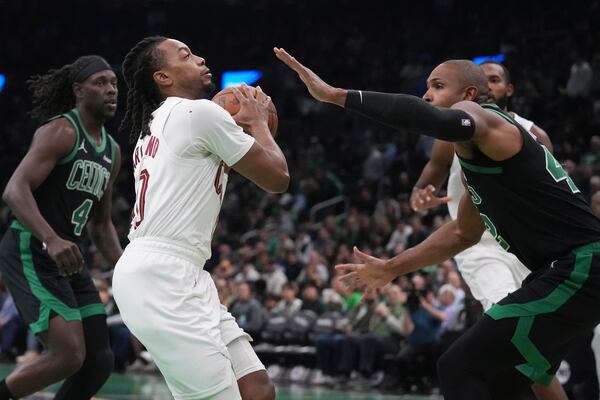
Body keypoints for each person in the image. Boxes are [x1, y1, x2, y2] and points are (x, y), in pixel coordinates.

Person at [275, 47, 600, 400]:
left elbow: (429, 118)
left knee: (459, 367)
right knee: (507, 381)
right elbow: (463, 232)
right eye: (426, 87)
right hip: (567, 271)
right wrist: (391, 268)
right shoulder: (478, 163)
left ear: (468, 96)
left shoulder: (485, 119)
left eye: (438, 85)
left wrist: (337, 96)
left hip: (580, 266)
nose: (427, 94)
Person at [114, 36, 288, 400]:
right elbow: (277, 178)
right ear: (163, 77)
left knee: (257, 389)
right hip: (162, 275)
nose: (200, 58)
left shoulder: (155, 127)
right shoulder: (199, 113)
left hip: (180, 272)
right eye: (186, 55)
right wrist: (257, 123)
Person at [408, 61, 565, 399]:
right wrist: (421, 194)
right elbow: (431, 172)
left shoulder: (534, 134)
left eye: (496, 79)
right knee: (510, 325)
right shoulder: (453, 129)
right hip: (475, 241)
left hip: (523, 243)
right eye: (485, 79)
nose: (489, 84)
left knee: (526, 342)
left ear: (508, 90)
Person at [0, 55, 121, 399]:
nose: (110, 90)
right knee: (69, 354)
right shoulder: (61, 131)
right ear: (79, 90)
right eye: (100, 83)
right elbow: (14, 190)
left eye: (113, 83)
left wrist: (128, 270)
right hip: (31, 248)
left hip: (69, 258)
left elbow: (101, 226)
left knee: (99, 361)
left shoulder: (112, 151)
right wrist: (50, 238)